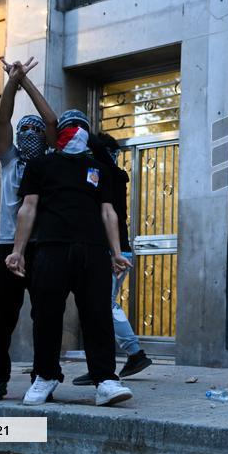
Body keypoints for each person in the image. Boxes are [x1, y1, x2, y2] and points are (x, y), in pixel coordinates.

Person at [5, 109, 134, 407]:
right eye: (69, 127)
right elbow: (28, 208)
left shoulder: (98, 168)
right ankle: (46, 376)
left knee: (98, 315)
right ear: (59, 133)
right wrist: (18, 251)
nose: (75, 132)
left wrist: (116, 252)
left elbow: (108, 211)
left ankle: (105, 380)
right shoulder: (41, 165)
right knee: (47, 315)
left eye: (80, 128)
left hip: (93, 250)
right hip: (52, 248)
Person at [0, 57, 58, 402]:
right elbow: (1, 120)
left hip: (41, 248)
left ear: (43, 139)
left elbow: (52, 120)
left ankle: (43, 378)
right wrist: (11, 82)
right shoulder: (9, 161)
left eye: (34, 130)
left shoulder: (49, 163)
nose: (28, 133)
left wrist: (26, 81)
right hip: (6, 247)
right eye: (22, 129)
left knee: (45, 316)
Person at [72, 132, 152, 386]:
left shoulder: (108, 172)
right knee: (100, 304)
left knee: (103, 305)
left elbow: (99, 150)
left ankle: (133, 353)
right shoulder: (111, 175)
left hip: (111, 251)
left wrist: (78, 128)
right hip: (113, 250)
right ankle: (107, 362)